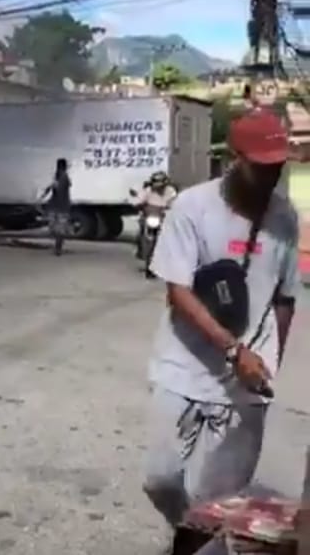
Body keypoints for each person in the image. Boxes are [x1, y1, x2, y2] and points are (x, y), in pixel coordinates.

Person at [143, 108, 300, 555]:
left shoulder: (284, 217)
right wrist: (234, 351)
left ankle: (198, 540)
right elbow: (179, 291)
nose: (272, 173)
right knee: (161, 478)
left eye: (278, 164)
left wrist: (271, 360)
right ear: (236, 157)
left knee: (217, 500)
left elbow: (285, 297)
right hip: (182, 367)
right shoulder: (193, 206)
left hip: (245, 385)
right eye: (262, 164)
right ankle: (192, 529)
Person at [132, 171, 178, 259]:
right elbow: (139, 200)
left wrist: (172, 209)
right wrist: (138, 204)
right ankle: (141, 249)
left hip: (164, 216)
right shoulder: (148, 190)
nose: (157, 186)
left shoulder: (170, 191)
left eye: (160, 182)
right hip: (149, 216)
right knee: (141, 228)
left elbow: (174, 202)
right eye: (155, 182)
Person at [42, 158, 72, 256]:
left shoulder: (63, 177)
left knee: (58, 229)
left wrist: (52, 188)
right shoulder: (60, 176)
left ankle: (58, 248)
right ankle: (58, 246)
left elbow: (59, 189)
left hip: (60, 206)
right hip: (59, 206)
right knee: (55, 228)